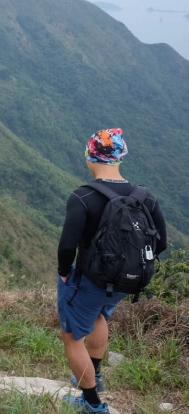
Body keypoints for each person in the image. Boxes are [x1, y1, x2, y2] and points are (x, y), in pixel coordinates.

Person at [56, 128, 168, 413]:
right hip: (126, 282)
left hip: (92, 280)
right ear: (121, 157)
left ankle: (92, 404)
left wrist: (63, 272)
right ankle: (96, 374)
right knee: (98, 317)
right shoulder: (145, 196)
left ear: (89, 156)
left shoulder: (82, 197)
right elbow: (161, 242)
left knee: (71, 337)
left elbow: (67, 246)